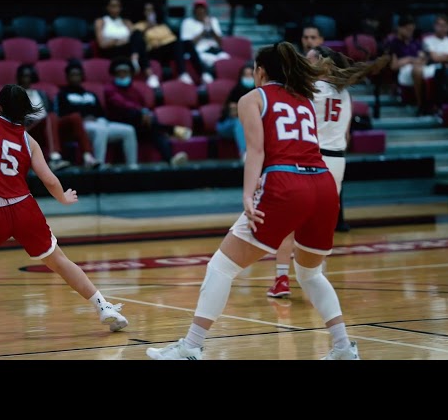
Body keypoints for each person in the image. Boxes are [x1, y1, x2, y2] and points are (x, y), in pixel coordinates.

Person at [146, 42, 359, 361]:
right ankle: (343, 347)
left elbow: (256, 151)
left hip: (287, 183)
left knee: (221, 266)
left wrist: (248, 194)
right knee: (311, 274)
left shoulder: (252, 98)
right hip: (324, 184)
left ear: (260, 71)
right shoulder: (304, 98)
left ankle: (191, 346)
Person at [0, 81, 128, 334]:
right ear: (24, 111)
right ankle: (104, 306)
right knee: (59, 261)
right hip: (23, 207)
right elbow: (50, 179)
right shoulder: (28, 140)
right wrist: (63, 198)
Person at [266, 45, 390, 298]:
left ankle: (281, 279)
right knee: (320, 224)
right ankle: (315, 275)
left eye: (308, 58)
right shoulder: (345, 94)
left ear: (321, 63)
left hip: (310, 158)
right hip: (337, 163)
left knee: (289, 222)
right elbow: (346, 134)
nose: (304, 61)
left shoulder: (309, 90)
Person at [103, 56, 189, 167]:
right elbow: (121, 104)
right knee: (136, 115)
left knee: (154, 130)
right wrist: (142, 112)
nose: (123, 75)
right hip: (118, 122)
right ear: (114, 74)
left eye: (126, 72)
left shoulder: (134, 90)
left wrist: (145, 113)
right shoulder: (109, 89)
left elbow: (144, 107)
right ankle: (172, 129)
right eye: (120, 72)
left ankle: (171, 160)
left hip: (138, 125)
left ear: (130, 74)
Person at [55, 59, 138, 169]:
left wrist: (100, 120)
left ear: (82, 76)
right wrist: (84, 119)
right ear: (67, 77)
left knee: (128, 130)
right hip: (81, 127)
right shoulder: (62, 95)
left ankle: (132, 166)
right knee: (100, 131)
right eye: (72, 75)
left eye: (78, 75)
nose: (75, 77)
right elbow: (62, 115)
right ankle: (99, 165)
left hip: (99, 123)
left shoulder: (91, 94)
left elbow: (101, 113)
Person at [16, 63, 98, 170]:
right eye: (24, 76)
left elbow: (52, 111)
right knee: (51, 117)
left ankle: (88, 157)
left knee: (75, 117)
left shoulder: (41, 94)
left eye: (29, 76)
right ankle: (54, 158)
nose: (27, 79)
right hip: (29, 130)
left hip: (47, 126)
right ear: (19, 78)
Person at [133, 1, 211, 85]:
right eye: (147, 10)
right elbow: (138, 41)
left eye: (151, 10)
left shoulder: (162, 25)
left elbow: (172, 39)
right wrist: (148, 27)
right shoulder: (139, 26)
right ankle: (182, 74)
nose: (149, 13)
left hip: (170, 49)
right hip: (155, 51)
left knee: (187, 43)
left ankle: (203, 74)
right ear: (143, 12)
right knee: (177, 43)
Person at [94, 0, 160, 89]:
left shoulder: (126, 22)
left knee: (137, 33)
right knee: (138, 43)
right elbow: (102, 44)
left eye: (118, 6)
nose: (116, 9)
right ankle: (149, 74)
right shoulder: (101, 21)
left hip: (128, 50)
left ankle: (135, 58)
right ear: (107, 8)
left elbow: (135, 37)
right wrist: (116, 41)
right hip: (112, 51)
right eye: (113, 6)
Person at [384, 14, 437, 115]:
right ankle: (421, 105)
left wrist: (423, 59)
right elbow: (394, 66)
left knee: (438, 71)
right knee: (417, 70)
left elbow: (424, 58)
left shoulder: (416, 42)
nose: (410, 32)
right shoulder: (393, 43)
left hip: (420, 67)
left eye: (412, 30)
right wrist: (410, 59)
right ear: (399, 28)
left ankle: (435, 105)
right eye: (407, 29)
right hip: (403, 73)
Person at [179, 0, 230, 82]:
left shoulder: (213, 21)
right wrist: (202, 32)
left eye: (202, 8)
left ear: (206, 10)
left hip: (215, 51)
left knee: (227, 60)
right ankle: (209, 80)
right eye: (198, 8)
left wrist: (211, 28)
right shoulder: (188, 22)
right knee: (210, 61)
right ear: (194, 10)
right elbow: (187, 45)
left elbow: (221, 43)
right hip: (200, 52)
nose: (201, 11)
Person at [216, 60, 255, 161]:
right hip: (227, 125)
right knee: (240, 121)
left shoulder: (260, 92)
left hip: (251, 125)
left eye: (251, 75)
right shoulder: (236, 90)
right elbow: (234, 113)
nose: (248, 78)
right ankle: (245, 153)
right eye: (245, 75)